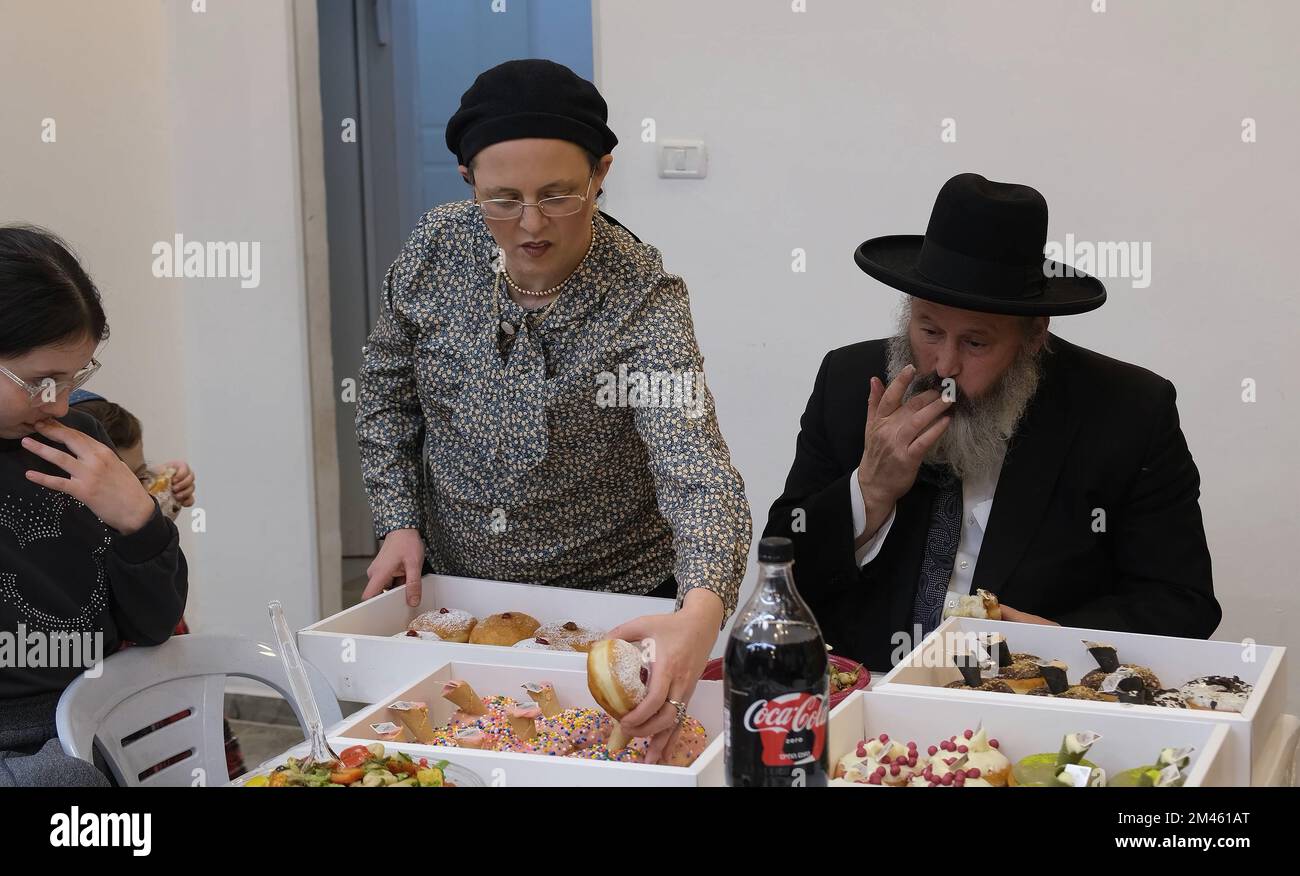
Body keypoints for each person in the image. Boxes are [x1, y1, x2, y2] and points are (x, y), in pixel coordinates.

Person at [355, 60, 751, 762]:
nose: (531, 225)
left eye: (560, 195)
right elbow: (386, 393)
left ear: (601, 173)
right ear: (467, 181)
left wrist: (699, 611)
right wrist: (398, 520)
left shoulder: (643, 299)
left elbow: (696, 472)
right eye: (503, 199)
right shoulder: (435, 250)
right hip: (461, 596)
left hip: (613, 609)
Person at [764, 173, 1220, 671]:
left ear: (1034, 336)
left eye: (976, 343)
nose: (944, 365)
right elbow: (783, 567)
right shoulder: (850, 381)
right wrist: (869, 492)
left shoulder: (1128, 409)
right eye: (929, 329)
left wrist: (1062, 642)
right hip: (867, 689)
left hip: (1031, 701)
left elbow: (1183, 602)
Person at [0, 226, 188, 785]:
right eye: (39, 381)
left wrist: (139, 521)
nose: (57, 402)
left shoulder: (80, 443)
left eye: (75, 376)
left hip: (101, 710)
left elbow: (153, 625)